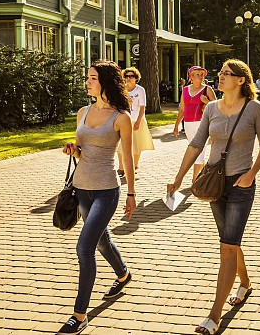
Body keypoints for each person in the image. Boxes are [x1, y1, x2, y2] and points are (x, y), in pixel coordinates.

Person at [168, 59, 260, 335]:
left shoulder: (254, 108)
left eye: (227, 74)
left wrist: (250, 174)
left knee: (227, 246)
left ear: (241, 80)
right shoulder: (211, 108)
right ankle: (245, 282)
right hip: (215, 185)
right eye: (221, 73)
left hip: (241, 185)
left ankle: (214, 315)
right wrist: (179, 178)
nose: (221, 77)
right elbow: (196, 143)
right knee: (230, 240)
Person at [58, 61, 136, 334]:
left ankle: (79, 316)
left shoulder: (121, 117)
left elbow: (126, 157)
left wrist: (131, 193)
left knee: (84, 248)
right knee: (101, 239)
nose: (87, 82)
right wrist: (73, 150)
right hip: (81, 189)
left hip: (106, 190)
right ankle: (123, 274)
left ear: (105, 81)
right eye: (87, 78)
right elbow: (83, 151)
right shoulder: (83, 112)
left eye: (92, 78)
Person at [174, 66, 217, 181]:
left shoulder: (207, 89)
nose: (200, 76)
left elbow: (217, 106)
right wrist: (176, 125)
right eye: (197, 74)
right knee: (194, 150)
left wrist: (206, 101)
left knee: (200, 150)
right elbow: (182, 109)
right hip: (188, 123)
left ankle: (195, 180)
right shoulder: (185, 90)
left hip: (202, 123)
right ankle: (201, 176)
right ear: (191, 77)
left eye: (202, 74)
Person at [121, 66, 154, 171]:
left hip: (136, 120)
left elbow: (142, 107)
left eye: (132, 76)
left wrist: (138, 122)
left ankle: (134, 166)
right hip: (124, 120)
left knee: (136, 145)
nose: (129, 78)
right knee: (120, 146)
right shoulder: (122, 89)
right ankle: (121, 167)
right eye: (127, 76)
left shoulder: (140, 90)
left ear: (136, 78)